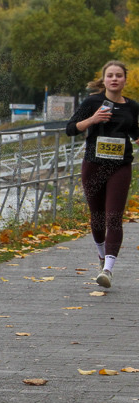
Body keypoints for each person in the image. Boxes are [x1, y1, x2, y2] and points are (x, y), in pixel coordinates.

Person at [66, 60, 139, 289]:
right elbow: (70, 128)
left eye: (119, 75)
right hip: (94, 165)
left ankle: (108, 270)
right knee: (97, 216)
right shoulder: (92, 102)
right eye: (110, 76)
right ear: (104, 79)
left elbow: (135, 132)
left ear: (125, 79)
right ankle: (100, 255)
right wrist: (92, 120)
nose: (114, 79)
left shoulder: (133, 106)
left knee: (114, 217)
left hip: (120, 166)